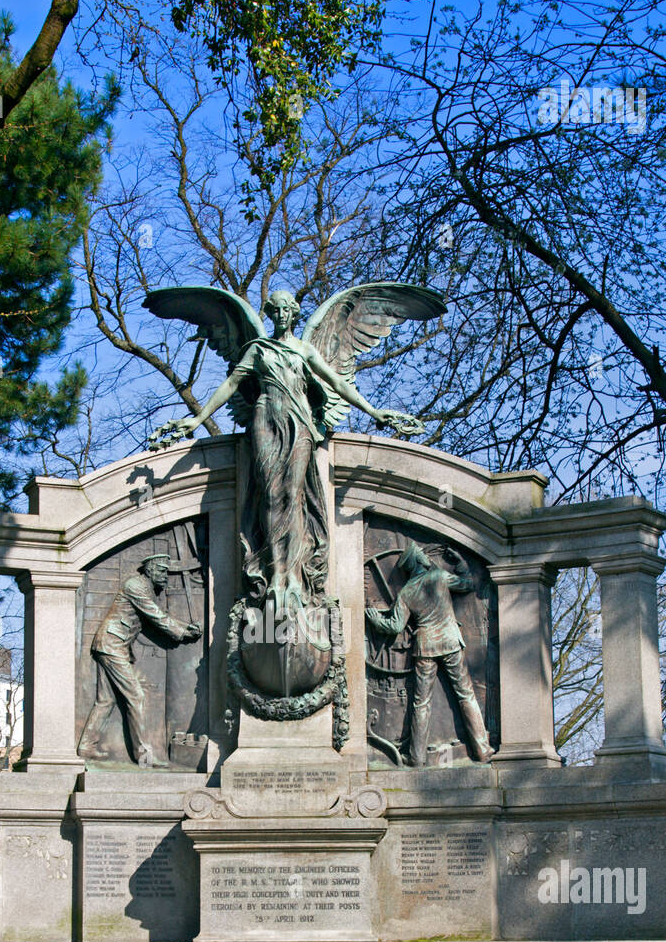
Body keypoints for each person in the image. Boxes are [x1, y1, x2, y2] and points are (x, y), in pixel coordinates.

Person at [150, 290, 420, 612]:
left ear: (293, 313)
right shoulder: (258, 350)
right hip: (265, 418)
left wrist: (375, 413)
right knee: (270, 495)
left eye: (285, 310)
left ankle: (294, 574)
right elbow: (232, 384)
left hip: (299, 421)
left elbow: (338, 384)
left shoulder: (305, 349)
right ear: (270, 313)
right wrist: (198, 419)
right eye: (274, 310)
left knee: (293, 495)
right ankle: (276, 572)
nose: (279, 315)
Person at [365, 541, 493, 767]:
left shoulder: (406, 592)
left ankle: (416, 757)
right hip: (450, 641)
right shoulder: (439, 577)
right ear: (418, 561)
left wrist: (376, 620)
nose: (426, 558)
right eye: (422, 556)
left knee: (421, 703)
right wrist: (461, 563)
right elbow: (468, 584)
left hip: (425, 647)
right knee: (466, 694)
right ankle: (482, 750)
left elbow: (394, 626)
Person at [78, 554, 201, 767]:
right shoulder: (135, 585)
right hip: (112, 645)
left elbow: (158, 615)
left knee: (106, 700)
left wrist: (184, 627)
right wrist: (182, 632)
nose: (165, 576)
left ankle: (87, 745)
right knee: (136, 696)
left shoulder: (142, 587)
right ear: (149, 570)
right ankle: (144, 757)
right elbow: (155, 616)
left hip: (111, 645)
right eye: (162, 571)